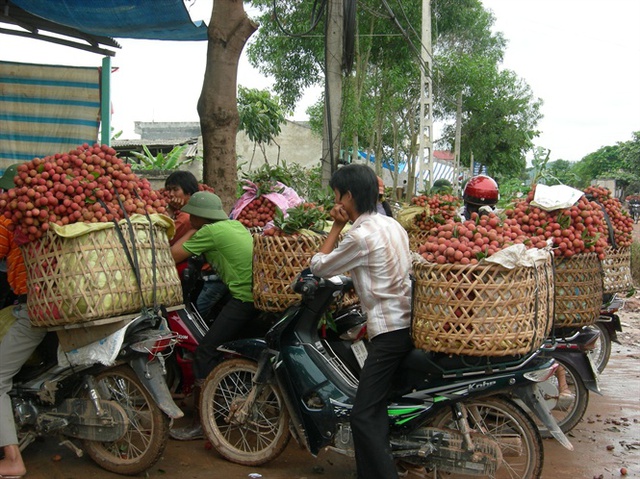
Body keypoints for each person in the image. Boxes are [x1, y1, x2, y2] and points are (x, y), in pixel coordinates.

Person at [309, 164, 413, 479]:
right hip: (409, 322)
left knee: (364, 415)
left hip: (389, 330)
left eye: (337, 195)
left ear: (348, 196)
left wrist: (334, 227)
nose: (336, 201)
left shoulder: (359, 235)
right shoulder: (391, 225)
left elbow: (319, 266)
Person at [169, 191, 257, 440]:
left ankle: (203, 422)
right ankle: (222, 401)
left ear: (198, 216)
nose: (187, 217)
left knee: (205, 352)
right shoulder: (235, 225)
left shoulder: (207, 232)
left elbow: (172, 255)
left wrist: (193, 229)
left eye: (191, 214)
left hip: (243, 298)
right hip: (255, 296)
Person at [0, 164, 47, 479]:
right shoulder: (50, 215)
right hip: (63, 303)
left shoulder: (9, 219)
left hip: (35, 307)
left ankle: (13, 459)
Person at [164, 171, 228, 319]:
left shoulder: (189, 219)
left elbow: (169, 249)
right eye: (169, 190)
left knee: (196, 314)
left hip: (213, 276)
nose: (171, 194)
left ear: (189, 192)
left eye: (175, 189)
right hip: (208, 274)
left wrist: (170, 211)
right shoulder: (192, 217)